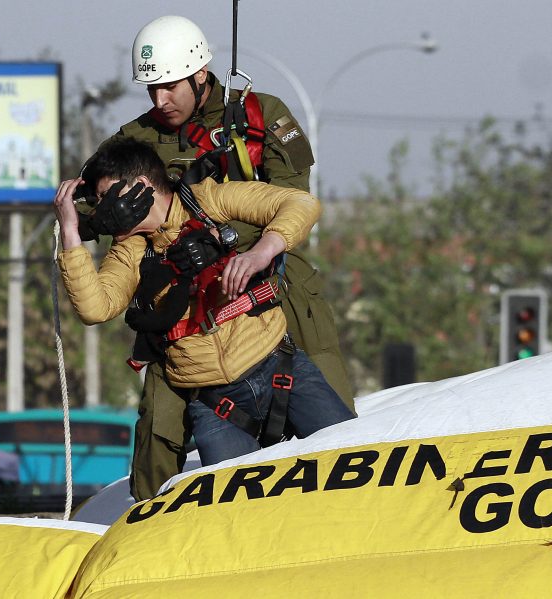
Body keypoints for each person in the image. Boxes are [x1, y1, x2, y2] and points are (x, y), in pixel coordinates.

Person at [104, 15, 356, 500]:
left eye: (171, 86)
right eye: (151, 88)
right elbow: (91, 200)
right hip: (182, 298)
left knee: (333, 415)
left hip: (271, 282)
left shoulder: (260, 117)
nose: (161, 100)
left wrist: (224, 236)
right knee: (159, 425)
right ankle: (150, 531)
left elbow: (292, 201)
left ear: (200, 74)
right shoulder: (133, 142)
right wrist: (100, 214)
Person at [55, 138, 355, 466]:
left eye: (105, 196)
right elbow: (95, 308)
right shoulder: (131, 249)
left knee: (352, 460)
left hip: (279, 368)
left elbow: (301, 203)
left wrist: (261, 252)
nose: (101, 210)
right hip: (215, 403)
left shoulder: (208, 200)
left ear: (140, 186)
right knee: (233, 509)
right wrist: (70, 232)